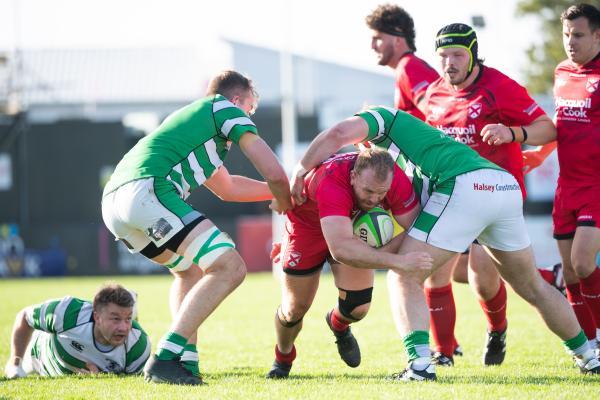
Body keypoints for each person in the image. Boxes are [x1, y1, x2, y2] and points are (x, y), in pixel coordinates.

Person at [289, 105, 600, 381]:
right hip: (503, 185)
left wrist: (301, 169)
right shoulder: (401, 160)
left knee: (404, 275)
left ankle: (420, 366)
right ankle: (588, 356)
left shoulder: (386, 119)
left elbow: (338, 132)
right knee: (532, 286)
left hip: (464, 185)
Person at [101, 70, 293, 385]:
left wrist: (276, 192)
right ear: (237, 99)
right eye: (250, 108)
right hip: (147, 190)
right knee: (230, 266)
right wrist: (287, 194)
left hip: (115, 204)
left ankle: (185, 364)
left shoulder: (198, 124)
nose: (249, 116)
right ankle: (165, 357)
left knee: (188, 271)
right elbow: (274, 170)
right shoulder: (224, 109)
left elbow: (228, 188)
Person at [419, 23, 558, 367]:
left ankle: (497, 330)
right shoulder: (434, 95)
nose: (449, 63)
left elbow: (547, 128)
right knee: (435, 270)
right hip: (450, 195)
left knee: (483, 277)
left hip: (494, 196)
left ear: (473, 54)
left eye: (457, 55)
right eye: (443, 56)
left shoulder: (500, 87)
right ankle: (442, 352)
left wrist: (512, 132)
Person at [267, 148, 430, 379]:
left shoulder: (395, 180)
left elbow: (416, 229)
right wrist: (397, 261)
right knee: (294, 309)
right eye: (368, 191)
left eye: (381, 193)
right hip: (307, 229)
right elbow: (341, 249)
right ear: (353, 176)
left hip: (349, 229)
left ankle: (338, 324)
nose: (374, 199)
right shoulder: (332, 180)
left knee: (358, 308)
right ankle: (283, 357)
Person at [505, 3, 600, 352]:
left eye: (578, 35)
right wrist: (537, 151)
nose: (570, 42)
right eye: (566, 35)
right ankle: (590, 347)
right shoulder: (561, 72)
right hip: (567, 186)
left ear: (597, 35)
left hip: (596, 187)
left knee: (582, 261)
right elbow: (561, 126)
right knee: (571, 274)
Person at [4, 283, 150, 378]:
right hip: (38, 356)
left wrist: (102, 376)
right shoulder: (68, 312)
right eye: (116, 319)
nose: (124, 328)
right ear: (97, 317)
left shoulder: (138, 345)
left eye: (128, 319)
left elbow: (129, 383)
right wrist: (15, 362)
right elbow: (24, 317)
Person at [365, 4, 439, 121]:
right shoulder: (408, 66)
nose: (372, 46)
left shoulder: (408, 66)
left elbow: (437, 115)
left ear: (397, 40)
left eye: (378, 38)